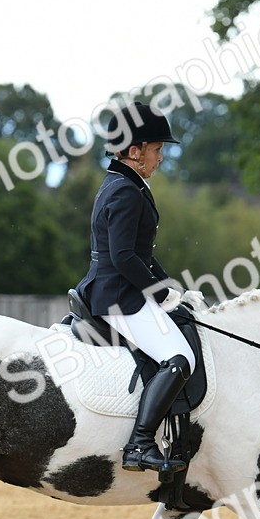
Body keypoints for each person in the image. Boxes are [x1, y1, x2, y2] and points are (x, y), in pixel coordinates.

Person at [74, 102, 199, 473]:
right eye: (157, 149)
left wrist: (172, 288)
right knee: (180, 359)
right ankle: (139, 444)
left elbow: (141, 255)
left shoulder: (122, 183)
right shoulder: (126, 191)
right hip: (118, 297)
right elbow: (125, 257)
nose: (161, 157)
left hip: (117, 288)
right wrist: (159, 294)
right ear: (135, 151)